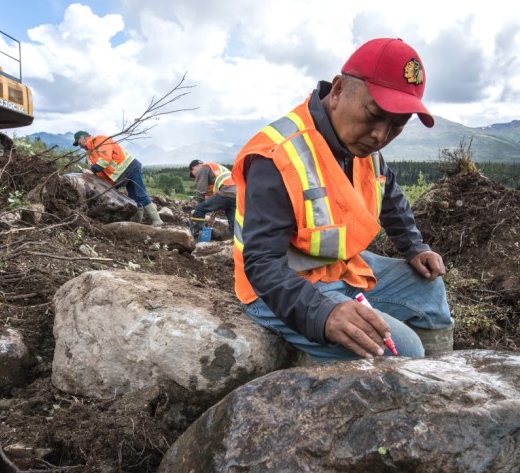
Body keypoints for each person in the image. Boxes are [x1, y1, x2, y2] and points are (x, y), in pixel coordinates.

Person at [231, 37, 454, 363]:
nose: (381, 135)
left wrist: (415, 247)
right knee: (402, 350)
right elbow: (263, 265)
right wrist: (324, 315)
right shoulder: (278, 155)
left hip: (340, 269)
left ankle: (444, 384)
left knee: (430, 290)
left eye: (397, 126)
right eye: (374, 114)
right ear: (337, 91)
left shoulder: (366, 149)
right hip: (279, 286)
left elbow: (390, 197)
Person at [74, 131, 163, 226]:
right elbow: (103, 172)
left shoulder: (99, 140)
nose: (80, 146)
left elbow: (104, 160)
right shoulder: (91, 153)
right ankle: (137, 222)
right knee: (133, 197)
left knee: (140, 195)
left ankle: (157, 221)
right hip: (122, 174)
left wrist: (92, 170)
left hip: (131, 168)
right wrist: (105, 184)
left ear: (84, 138)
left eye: (79, 143)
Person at [188, 160, 237, 241]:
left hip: (226, 192)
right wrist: (212, 217)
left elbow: (201, 192)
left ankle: (196, 238)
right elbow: (217, 201)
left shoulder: (203, 168)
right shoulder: (215, 169)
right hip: (237, 194)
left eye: (193, 175)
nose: (195, 177)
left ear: (194, 168)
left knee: (200, 209)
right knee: (233, 221)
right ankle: (234, 242)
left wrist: (197, 209)